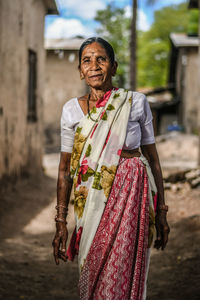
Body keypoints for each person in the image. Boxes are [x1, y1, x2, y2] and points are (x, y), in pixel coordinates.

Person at [52, 37, 170, 299]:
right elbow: (64, 170)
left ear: (114, 67)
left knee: (122, 270)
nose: (94, 65)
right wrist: (61, 221)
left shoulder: (135, 103)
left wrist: (161, 211)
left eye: (101, 59)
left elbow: (153, 159)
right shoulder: (71, 111)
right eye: (87, 60)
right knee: (92, 271)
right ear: (80, 70)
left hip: (132, 201)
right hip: (90, 205)